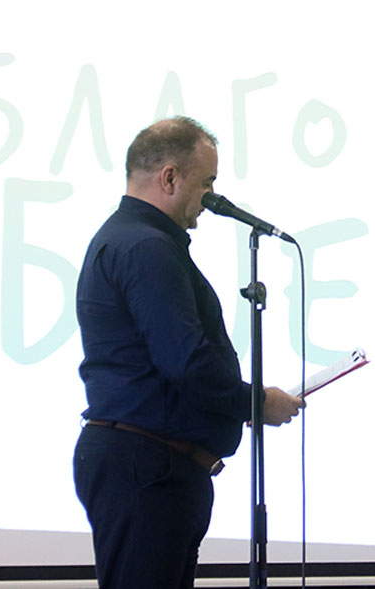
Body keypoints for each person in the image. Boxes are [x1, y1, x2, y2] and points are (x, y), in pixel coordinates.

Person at [72, 116, 305, 589]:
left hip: (148, 466)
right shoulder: (146, 248)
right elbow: (187, 362)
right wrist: (256, 403)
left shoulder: (132, 239)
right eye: (207, 182)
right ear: (170, 177)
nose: (212, 196)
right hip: (148, 470)